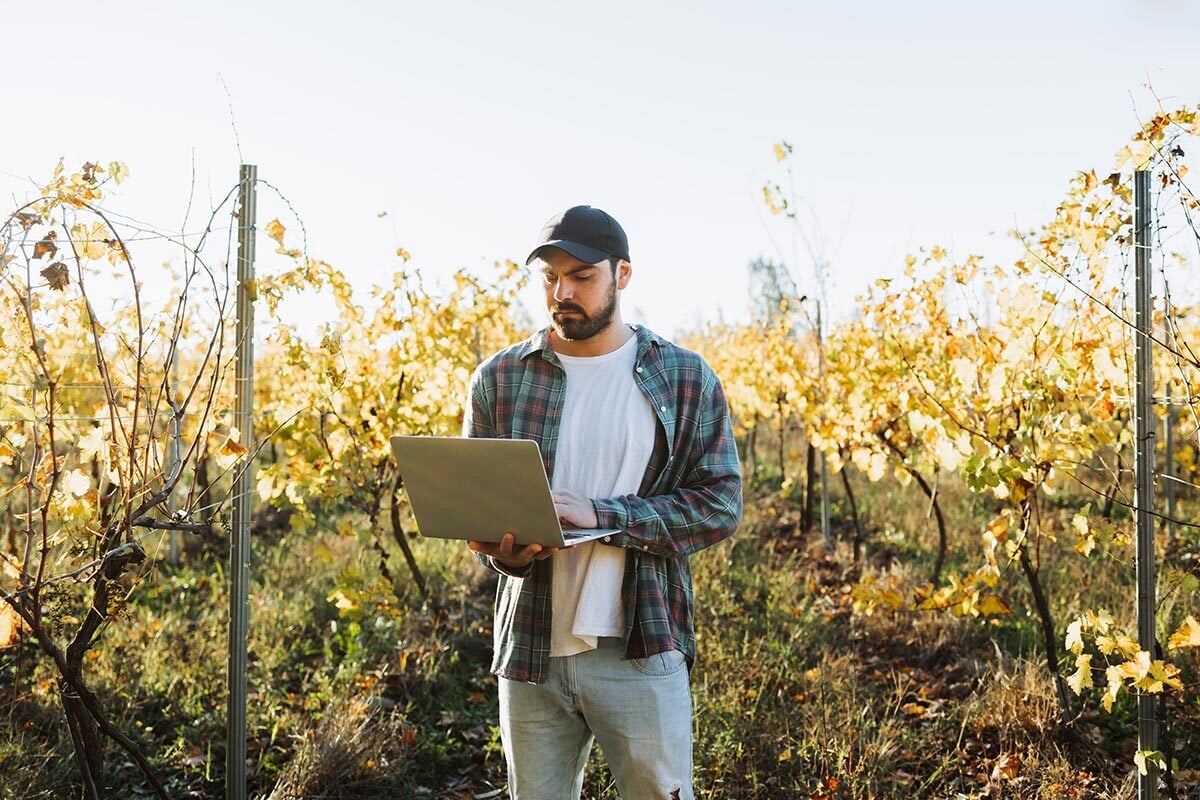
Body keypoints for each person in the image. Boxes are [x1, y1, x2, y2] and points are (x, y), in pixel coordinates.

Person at [464, 205, 743, 800]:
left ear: (623, 276)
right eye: (549, 277)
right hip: (531, 648)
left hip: (639, 644)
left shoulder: (685, 378)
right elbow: (483, 512)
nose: (562, 292)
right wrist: (504, 552)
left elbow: (719, 503)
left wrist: (606, 514)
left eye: (582, 276)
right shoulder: (499, 379)